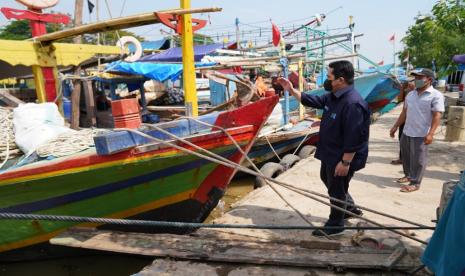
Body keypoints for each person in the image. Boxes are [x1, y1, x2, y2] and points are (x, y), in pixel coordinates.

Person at [277, 60, 370, 236]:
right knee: (327, 179)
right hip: (330, 152)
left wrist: (345, 162)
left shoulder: (352, 103)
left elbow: (355, 136)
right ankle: (350, 208)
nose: (326, 81)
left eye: (329, 77)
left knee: (336, 188)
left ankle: (336, 225)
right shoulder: (333, 96)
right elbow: (312, 100)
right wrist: (290, 89)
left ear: (340, 80)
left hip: (343, 156)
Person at [389, 68, 445, 192]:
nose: (417, 80)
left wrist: (431, 134)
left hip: (421, 133)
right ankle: (408, 175)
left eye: (420, 78)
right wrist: (395, 126)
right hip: (407, 131)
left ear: (429, 80)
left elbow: (437, 115)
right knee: (406, 156)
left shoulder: (436, 95)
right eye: (416, 77)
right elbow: (404, 112)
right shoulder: (411, 94)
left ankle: (415, 182)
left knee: (419, 159)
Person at [391, 78, 416, 165]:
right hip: (405, 118)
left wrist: (414, 89)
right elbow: (400, 99)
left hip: (415, 120)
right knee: (402, 138)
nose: (411, 83)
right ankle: (402, 158)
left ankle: (411, 160)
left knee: (413, 141)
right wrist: (402, 88)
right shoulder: (408, 91)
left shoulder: (420, 91)